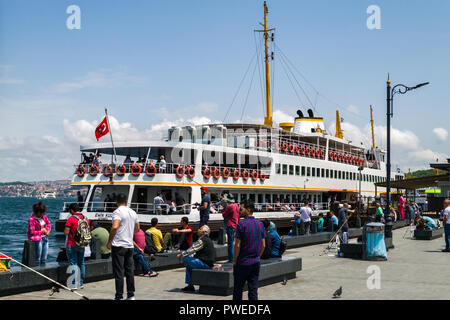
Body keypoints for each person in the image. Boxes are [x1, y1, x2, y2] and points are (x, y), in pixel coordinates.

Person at [106, 193, 140, 300]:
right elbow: (137, 228)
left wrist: (110, 241)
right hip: (129, 246)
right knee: (129, 271)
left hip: (119, 245)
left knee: (119, 272)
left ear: (116, 202)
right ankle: (131, 295)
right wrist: (129, 234)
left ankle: (119, 296)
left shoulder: (117, 212)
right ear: (126, 201)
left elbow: (115, 227)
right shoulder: (133, 212)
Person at [233, 200, 266, 301]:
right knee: (253, 289)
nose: (239, 210)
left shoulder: (241, 225)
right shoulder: (260, 224)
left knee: (238, 289)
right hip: (255, 262)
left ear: (248, 210)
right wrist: (258, 257)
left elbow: (237, 245)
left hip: (243, 262)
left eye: (241, 209)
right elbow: (263, 245)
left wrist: (235, 260)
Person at [177, 225, 216, 292]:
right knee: (188, 265)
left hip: (205, 264)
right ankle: (190, 286)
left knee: (185, 258)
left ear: (203, 232)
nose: (198, 230)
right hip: (207, 263)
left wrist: (181, 255)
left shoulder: (202, 240)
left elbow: (192, 249)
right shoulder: (208, 239)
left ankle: (190, 285)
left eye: (200, 229)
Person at [64, 203, 90, 289]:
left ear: (72, 210)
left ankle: (74, 284)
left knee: (73, 264)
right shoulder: (86, 219)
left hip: (72, 244)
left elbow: (66, 232)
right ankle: (81, 283)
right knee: (81, 263)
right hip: (82, 244)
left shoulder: (70, 219)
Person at [221, 193, 240, 262]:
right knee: (234, 242)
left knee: (230, 243)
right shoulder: (236, 205)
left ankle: (231, 259)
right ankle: (234, 257)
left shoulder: (230, 206)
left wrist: (223, 208)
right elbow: (238, 216)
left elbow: (224, 215)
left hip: (230, 225)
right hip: (235, 225)